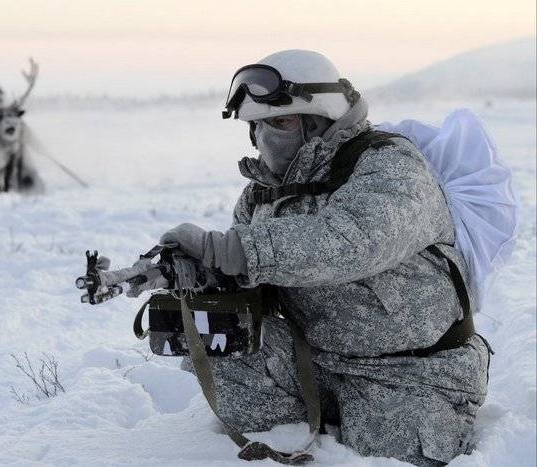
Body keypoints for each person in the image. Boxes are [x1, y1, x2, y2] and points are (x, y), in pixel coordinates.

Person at [157, 50, 490, 466]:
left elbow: (352, 241)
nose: (265, 138)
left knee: (390, 455)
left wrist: (230, 248)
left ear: (320, 121)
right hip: (315, 359)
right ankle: (309, 424)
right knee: (215, 345)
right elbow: (258, 283)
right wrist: (204, 274)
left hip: (412, 373)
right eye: (257, 126)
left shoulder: (389, 164)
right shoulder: (262, 195)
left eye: (280, 122)